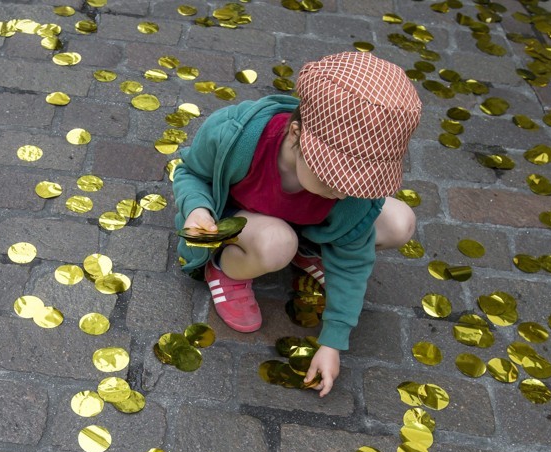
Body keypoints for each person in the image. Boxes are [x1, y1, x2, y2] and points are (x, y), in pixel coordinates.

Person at [172, 51, 422, 397]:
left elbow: (353, 263)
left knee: (399, 222)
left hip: (303, 226)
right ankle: (226, 268)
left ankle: (307, 250)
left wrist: (333, 341)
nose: (345, 191)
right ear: (295, 134)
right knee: (277, 241)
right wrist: (198, 209)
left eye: (359, 181)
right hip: (246, 223)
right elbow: (190, 173)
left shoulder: (350, 193)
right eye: (333, 177)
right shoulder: (233, 135)